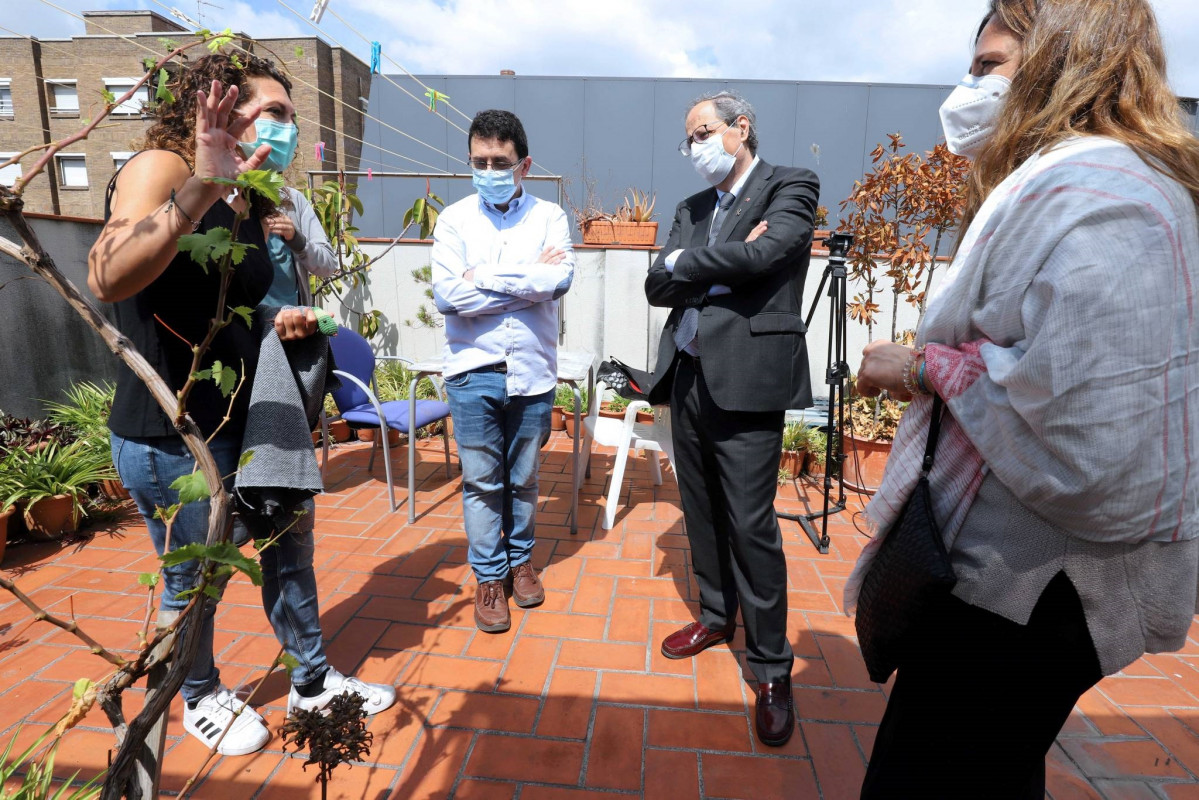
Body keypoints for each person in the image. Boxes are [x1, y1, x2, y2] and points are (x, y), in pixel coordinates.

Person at [850, 0, 1199, 794]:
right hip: (1018, 584)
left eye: (988, 67)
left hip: (1028, 590)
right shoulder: (1092, 180)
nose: (967, 90)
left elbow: (1086, 439)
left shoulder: (1099, 195)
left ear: (1061, 57)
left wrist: (922, 368)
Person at [88, 53, 395, 757]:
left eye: (291, 115)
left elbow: (229, 308)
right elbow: (106, 275)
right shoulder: (159, 171)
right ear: (216, 107)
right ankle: (196, 695)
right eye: (275, 112)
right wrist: (200, 183)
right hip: (176, 429)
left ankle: (313, 681)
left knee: (290, 551)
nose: (288, 128)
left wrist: (278, 323)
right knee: (196, 575)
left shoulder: (258, 200)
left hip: (253, 414)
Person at [644, 91, 820, 747]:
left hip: (747, 382)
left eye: (703, 133)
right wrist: (705, 266)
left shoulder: (789, 185)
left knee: (750, 525)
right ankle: (716, 616)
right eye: (688, 139)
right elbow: (656, 285)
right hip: (686, 375)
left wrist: (685, 265)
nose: (694, 147)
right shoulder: (692, 209)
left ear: (739, 129)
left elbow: (765, 257)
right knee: (700, 510)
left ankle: (772, 669)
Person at [431, 109, 574, 634]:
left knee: (524, 478)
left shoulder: (550, 217)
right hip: (472, 371)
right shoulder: (453, 220)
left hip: (533, 371)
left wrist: (483, 278)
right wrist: (525, 280)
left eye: (500, 161)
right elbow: (449, 296)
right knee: (482, 483)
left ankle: (521, 563)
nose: (489, 170)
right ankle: (489, 577)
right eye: (479, 161)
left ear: (524, 165)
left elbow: (558, 280)